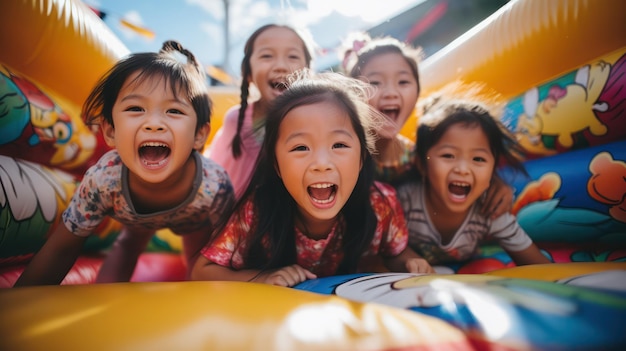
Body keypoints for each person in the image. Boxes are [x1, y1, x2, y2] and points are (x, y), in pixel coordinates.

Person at [14, 40, 235, 286]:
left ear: (199, 135)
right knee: (128, 244)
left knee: (199, 255)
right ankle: (107, 301)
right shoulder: (104, 180)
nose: (153, 123)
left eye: (173, 111)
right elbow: (61, 249)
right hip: (135, 220)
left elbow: (229, 251)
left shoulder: (214, 185)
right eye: (136, 108)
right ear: (110, 131)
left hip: (195, 217)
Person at [191, 71, 433, 287]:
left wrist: (410, 263)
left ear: (361, 158)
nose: (321, 163)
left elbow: (396, 252)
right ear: (276, 164)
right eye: (300, 148)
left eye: (339, 145)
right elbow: (202, 271)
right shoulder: (256, 212)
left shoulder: (381, 204)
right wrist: (261, 278)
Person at [342, 33, 513, 219]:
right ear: (354, 94)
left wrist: (493, 183)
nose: (390, 92)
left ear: (417, 92)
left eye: (403, 82)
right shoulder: (346, 158)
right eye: (374, 83)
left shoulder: (419, 157)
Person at [395, 95, 551, 273]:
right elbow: (387, 244)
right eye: (448, 155)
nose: (463, 169)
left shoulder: (490, 208)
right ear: (422, 164)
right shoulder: (406, 200)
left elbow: (538, 265)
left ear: (493, 172)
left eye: (478, 159)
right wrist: (408, 259)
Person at [205, 24, 314, 198]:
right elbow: (215, 177)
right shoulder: (237, 121)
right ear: (248, 72)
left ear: (308, 71)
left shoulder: (316, 123)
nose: (281, 66)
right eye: (267, 56)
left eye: (292, 56)